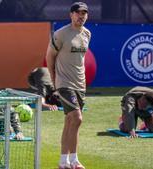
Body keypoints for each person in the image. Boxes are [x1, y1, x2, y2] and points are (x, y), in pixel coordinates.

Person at [45, 2, 91, 169]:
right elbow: (50, 56)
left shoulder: (87, 34)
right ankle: (75, 159)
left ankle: (64, 162)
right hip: (64, 83)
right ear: (71, 14)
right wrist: (54, 78)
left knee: (70, 122)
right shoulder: (61, 34)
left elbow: (81, 61)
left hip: (80, 84)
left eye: (84, 13)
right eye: (78, 13)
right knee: (77, 118)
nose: (82, 16)